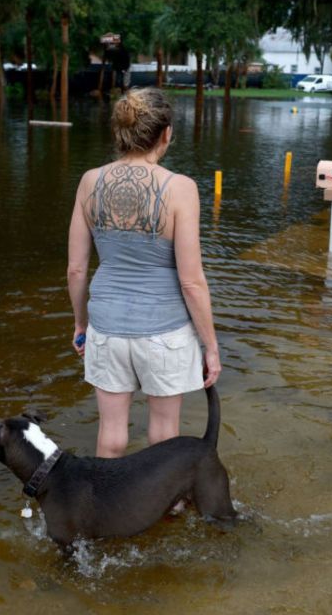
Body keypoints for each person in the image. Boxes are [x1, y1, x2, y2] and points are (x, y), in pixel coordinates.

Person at [67, 87, 221, 458]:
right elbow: (191, 280)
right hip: (165, 331)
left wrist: (80, 324)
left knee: (112, 434)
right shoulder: (181, 189)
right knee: (165, 435)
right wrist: (210, 346)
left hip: (106, 327)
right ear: (165, 133)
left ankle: (108, 507)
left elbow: (75, 269)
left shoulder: (90, 182)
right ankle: (168, 511)